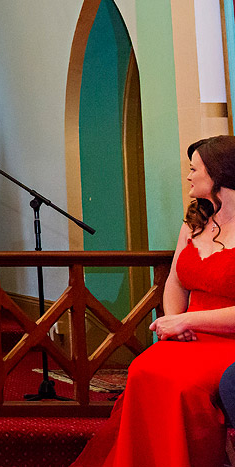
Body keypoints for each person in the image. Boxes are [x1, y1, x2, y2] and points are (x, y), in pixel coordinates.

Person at [71, 135, 235, 467]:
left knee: (183, 386)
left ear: (219, 174)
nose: (188, 177)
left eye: (194, 169)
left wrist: (187, 321)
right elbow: (175, 282)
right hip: (189, 334)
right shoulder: (195, 221)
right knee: (144, 368)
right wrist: (175, 326)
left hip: (227, 340)